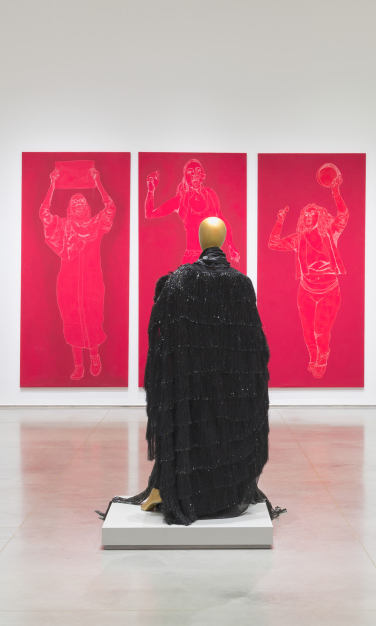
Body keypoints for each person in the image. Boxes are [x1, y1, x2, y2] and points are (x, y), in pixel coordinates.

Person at [111, 217, 274, 525]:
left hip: (192, 381)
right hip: (228, 381)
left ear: (200, 239)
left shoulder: (182, 279)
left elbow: (164, 336)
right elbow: (255, 345)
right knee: (224, 430)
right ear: (223, 239)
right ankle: (224, 491)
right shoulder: (240, 282)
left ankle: (184, 490)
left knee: (194, 430)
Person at [267, 164, 350, 378]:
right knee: (307, 333)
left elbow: (343, 214)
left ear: (319, 217)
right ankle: (314, 357)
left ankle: (323, 355)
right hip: (306, 290)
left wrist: (335, 191)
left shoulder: (330, 233)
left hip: (329, 290)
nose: (306, 216)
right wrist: (280, 219)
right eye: (304, 214)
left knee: (321, 331)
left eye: (311, 214)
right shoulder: (299, 238)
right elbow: (274, 243)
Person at [39, 165, 116, 381]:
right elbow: (44, 214)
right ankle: (78, 364)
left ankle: (94, 356)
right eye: (75, 202)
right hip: (67, 283)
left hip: (93, 282)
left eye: (82, 201)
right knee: (71, 319)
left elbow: (110, 208)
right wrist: (52, 185)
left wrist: (98, 183)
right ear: (70, 208)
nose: (79, 204)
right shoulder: (62, 227)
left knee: (93, 317)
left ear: (87, 207)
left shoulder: (95, 226)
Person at [144, 158, 240, 266]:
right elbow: (150, 214)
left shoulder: (211, 195)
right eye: (190, 172)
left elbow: (222, 220)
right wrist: (151, 190)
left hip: (213, 257)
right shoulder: (181, 200)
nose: (195, 174)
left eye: (198, 170)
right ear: (186, 177)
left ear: (202, 174)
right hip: (191, 259)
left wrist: (231, 245)